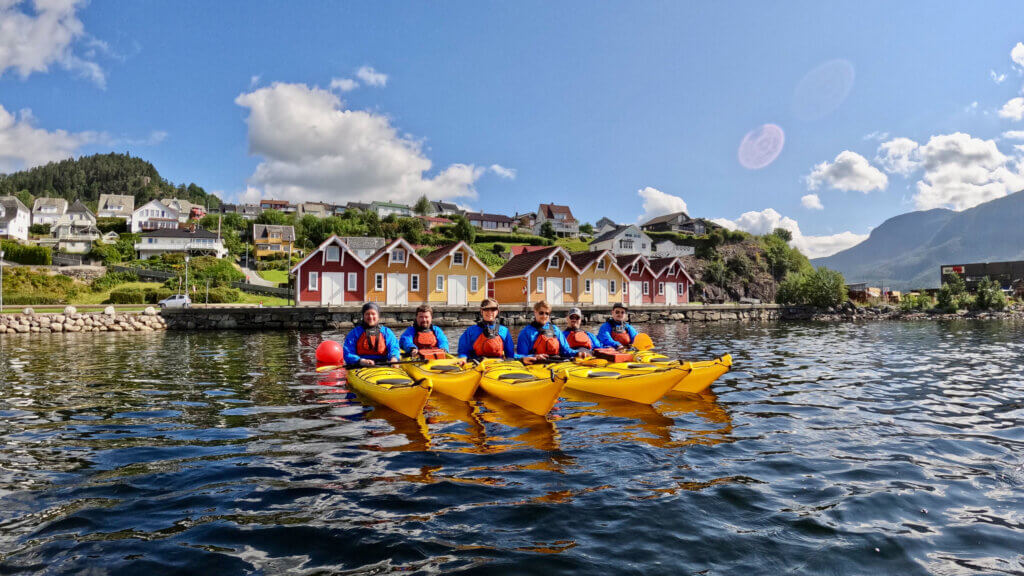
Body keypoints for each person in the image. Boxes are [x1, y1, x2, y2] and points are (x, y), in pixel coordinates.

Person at [516, 300, 590, 363]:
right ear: (535, 312)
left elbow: (566, 350)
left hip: (556, 363)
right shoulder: (525, 333)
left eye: (547, 313)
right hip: (536, 364)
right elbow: (521, 356)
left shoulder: (555, 330)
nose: (544, 316)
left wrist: (578, 353)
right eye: (541, 313)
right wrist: (534, 356)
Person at [399, 304, 463, 364]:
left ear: (431, 318)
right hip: (417, 358)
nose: (424, 320)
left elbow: (443, 341)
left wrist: (443, 348)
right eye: (421, 317)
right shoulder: (410, 331)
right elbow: (406, 340)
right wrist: (412, 348)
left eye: (426, 317)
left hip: (436, 359)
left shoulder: (436, 330)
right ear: (417, 318)